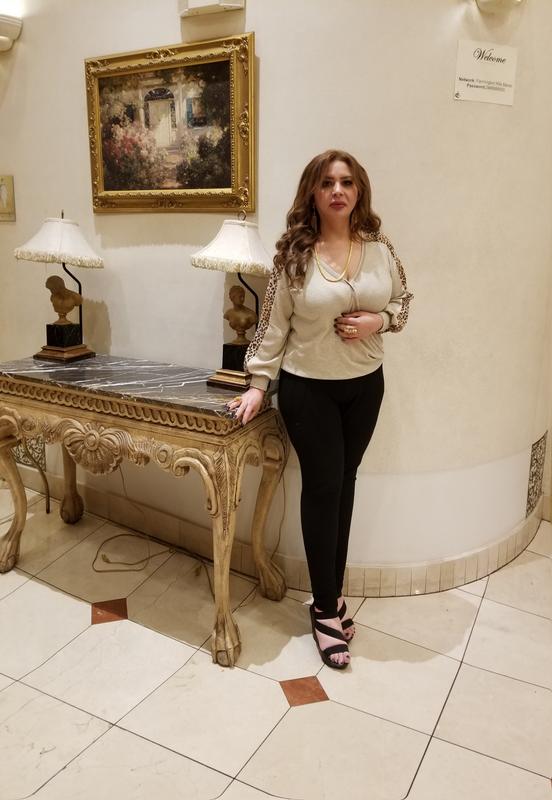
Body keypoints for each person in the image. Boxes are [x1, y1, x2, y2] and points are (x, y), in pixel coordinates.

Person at [226, 150, 412, 669]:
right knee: (324, 487)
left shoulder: (380, 248)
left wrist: (379, 321)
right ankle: (325, 609)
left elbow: (403, 303)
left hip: (366, 387)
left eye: (347, 182)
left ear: (359, 191)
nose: (338, 191)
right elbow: (272, 325)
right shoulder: (294, 256)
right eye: (327, 182)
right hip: (309, 390)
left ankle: (332, 593)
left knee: (345, 484)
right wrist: (258, 385)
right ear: (313, 191)